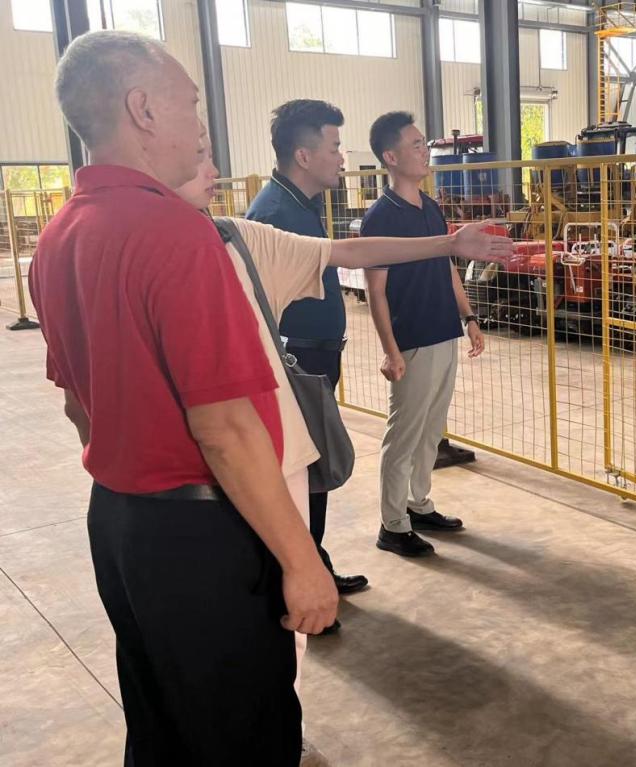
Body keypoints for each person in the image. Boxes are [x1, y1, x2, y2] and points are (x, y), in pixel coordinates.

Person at [29, 32, 335, 766]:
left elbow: (77, 405)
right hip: (205, 539)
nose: (201, 127)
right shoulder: (175, 232)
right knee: (243, 732)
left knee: (162, 723)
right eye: (191, 106)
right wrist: (303, 559)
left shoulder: (59, 236)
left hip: (122, 526)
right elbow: (226, 428)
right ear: (142, 110)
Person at [173, 141, 510, 762]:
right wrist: (301, 563)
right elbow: (222, 429)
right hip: (212, 482)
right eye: (198, 151)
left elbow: (345, 254)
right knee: (236, 639)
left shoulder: (235, 233)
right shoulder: (235, 232)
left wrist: (450, 247)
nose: (214, 168)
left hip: (219, 467)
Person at [246, 100, 363, 595]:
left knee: (311, 469)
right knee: (303, 472)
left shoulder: (299, 205)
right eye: (334, 147)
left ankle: (315, 565)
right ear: (303, 155)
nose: (341, 158)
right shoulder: (274, 215)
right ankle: (303, 578)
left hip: (315, 357)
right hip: (296, 362)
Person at [362, 112, 485, 557]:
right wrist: (390, 350)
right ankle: (392, 525)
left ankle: (417, 504)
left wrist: (468, 316)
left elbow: (447, 267)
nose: (424, 152)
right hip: (411, 340)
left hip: (443, 333)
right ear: (391, 157)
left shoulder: (430, 208)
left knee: (431, 430)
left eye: (423, 144)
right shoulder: (381, 217)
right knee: (404, 435)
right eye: (415, 145)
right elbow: (376, 291)